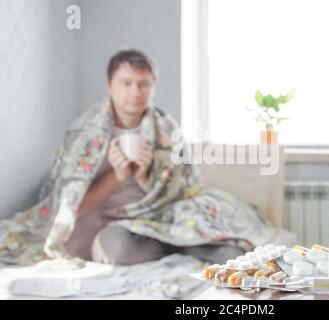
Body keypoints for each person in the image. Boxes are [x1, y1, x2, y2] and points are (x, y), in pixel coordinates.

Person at [0, 49, 292, 266]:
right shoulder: (84, 135)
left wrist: (144, 176)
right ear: (109, 85)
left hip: (158, 216)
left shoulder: (166, 129)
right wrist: (117, 175)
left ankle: (190, 246)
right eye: (126, 83)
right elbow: (70, 207)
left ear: (153, 87)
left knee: (227, 245)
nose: (135, 92)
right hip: (109, 223)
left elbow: (184, 189)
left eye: (143, 84)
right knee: (115, 250)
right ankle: (181, 249)